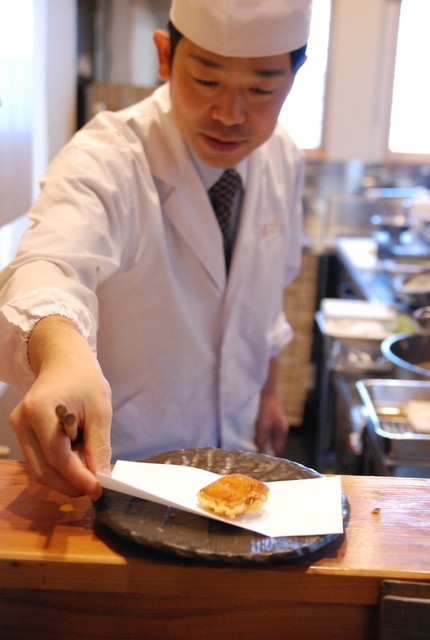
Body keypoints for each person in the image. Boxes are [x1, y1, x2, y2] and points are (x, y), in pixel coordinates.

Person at [0, 0, 312, 499]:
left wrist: (269, 393)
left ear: (294, 78)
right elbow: (49, 265)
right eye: (206, 80)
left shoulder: (283, 157)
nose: (229, 115)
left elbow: (268, 291)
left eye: (261, 89)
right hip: (118, 471)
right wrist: (61, 353)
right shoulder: (106, 157)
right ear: (165, 56)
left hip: (233, 457)